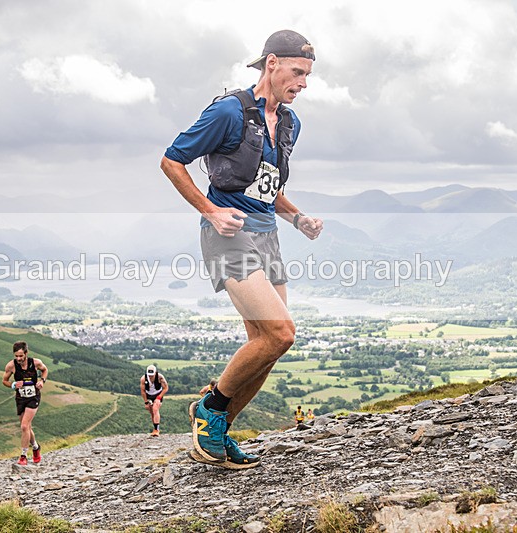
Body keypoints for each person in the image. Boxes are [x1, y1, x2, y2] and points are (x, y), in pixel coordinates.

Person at [161, 29, 323, 469]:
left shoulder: (290, 123)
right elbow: (171, 160)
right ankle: (211, 409)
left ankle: (217, 430)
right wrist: (210, 210)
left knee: (268, 345)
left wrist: (298, 218)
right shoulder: (228, 112)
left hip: (268, 233)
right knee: (281, 332)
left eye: (308, 75)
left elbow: (269, 186)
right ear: (271, 64)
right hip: (228, 235)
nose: (303, 83)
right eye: (297, 72)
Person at [2, 340, 48, 465]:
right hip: (21, 398)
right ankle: (36, 447)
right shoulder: (11, 366)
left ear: (26, 353)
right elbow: (4, 381)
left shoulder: (35, 363)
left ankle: (23, 456)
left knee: (24, 426)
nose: (19, 358)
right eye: (16, 356)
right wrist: (13, 384)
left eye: (21, 356)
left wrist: (42, 381)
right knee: (27, 427)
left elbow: (45, 370)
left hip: (33, 397)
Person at [141, 364, 168, 436]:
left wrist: (159, 398)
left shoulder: (160, 377)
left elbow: (165, 388)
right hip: (149, 395)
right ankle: (155, 428)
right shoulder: (143, 379)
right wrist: (146, 402)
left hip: (158, 394)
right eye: (149, 375)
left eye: (152, 375)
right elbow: (143, 391)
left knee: (155, 409)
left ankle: (157, 429)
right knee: (152, 412)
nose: (150, 376)